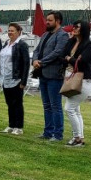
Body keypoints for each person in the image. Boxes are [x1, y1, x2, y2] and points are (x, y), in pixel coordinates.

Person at [32, 11, 70, 141]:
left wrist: (41, 62)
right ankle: (47, 132)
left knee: (55, 106)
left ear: (58, 21)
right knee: (46, 105)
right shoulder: (45, 35)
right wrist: (35, 60)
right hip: (43, 74)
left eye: (49, 20)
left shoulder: (63, 35)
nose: (47, 22)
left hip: (54, 75)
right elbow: (37, 50)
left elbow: (57, 52)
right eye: (46, 20)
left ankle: (57, 134)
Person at [62, 20, 91, 147]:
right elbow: (62, 55)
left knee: (69, 108)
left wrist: (70, 59)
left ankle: (77, 138)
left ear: (84, 29)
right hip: (71, 78)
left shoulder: (89, 45)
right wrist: (72, 59)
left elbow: (84, 62)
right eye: (73, 26)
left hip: (83, 80)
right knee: (75, 109)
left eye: (77, 27)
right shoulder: (71, 42)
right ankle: (80, 137)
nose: (74, 28)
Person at [0, 22, 30, 135]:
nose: (10, 32)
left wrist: (23, 80)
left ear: (18, 32)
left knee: (17, 103)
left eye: (12, 31)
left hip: (16, 79)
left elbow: (26, 63)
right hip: (5, 78)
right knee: (9, 103)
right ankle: (11, 124)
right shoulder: (6, 44)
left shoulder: (21, 45)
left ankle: (19, 126)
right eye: (9, 30)